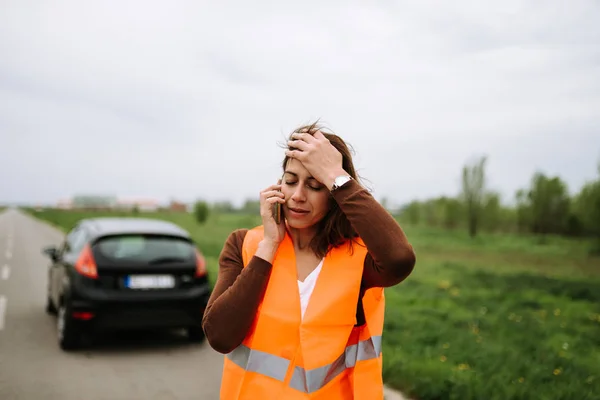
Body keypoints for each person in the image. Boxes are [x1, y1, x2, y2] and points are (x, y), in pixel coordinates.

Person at [202, 122, 416, 399]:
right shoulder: (245, 244)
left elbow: (399, 259)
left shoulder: (358, 258)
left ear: (333, 194)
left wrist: (336, 175)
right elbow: (220, 337)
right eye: (290, 181)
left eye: (315, 185)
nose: (298, 196)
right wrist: (269, 246)